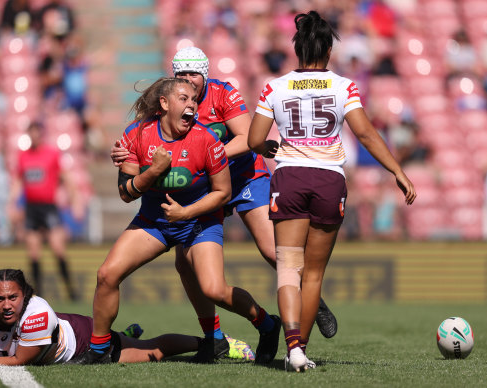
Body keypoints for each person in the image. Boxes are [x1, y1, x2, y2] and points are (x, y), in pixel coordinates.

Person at [110, 47, 338, 361]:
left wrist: (208, 157)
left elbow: (248, 137)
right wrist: (122, 153)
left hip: (244, 178)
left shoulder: (222, 93)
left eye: (194, 74)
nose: (189, 81)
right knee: (186, 265)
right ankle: (213, 337)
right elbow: (142, 135)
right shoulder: (170, 100)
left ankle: (313, 297)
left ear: (205, 73)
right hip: (204, 187)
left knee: (273, 251)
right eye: (182, 75)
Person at [248, 10, 416, 372]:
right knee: (313, 275)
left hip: (289, 177)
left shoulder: (274, 87)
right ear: (327, 50)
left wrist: (266, 150)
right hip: (328, 180)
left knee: (288, 269)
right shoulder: (344, 87)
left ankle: (291, 348)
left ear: (297, 49)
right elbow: (367, 134)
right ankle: (301, 350)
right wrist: (397, 171)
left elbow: (254, 139)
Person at [75, 77, 280, 365]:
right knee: (107, 275)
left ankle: (267, 325)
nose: (192, 106)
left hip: (200, 221)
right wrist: (153, 171)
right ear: (164, 104)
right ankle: (99, 350)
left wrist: (186, 213)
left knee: (214, 289)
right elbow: (125, 193)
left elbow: (223, 193)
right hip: (154, 222)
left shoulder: (207, 139)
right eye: (184, 99)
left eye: (195, 101)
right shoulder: (138, 134)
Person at [0, 269, 230, 367]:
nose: (5, 305)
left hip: (81, 341)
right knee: (127, 339)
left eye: (12, 298)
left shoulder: (36, 315)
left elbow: (20, 362)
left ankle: (212, 342)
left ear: (24, 294)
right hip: (58, 327)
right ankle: (124, 334)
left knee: (152, 350)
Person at [10, 122, 80, 300]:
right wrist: (12, 203)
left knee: (58, 249)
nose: (34, 137)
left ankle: (71, 290)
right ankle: (38, 295)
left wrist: (74, 198)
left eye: (37, 133)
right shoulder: (23, 156)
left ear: (41, 134)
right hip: (32, 209)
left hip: (48, 208)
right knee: (33, 251)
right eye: (31, 133)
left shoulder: (51, 154)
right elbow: (18, 181)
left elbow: (65, 177)